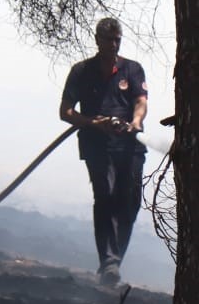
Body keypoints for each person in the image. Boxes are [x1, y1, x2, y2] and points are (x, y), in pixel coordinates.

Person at [59, 17, 148, 286]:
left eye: (117, 39)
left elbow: (141, 101)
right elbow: (65, 111)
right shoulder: (81, 72)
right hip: (97, 145)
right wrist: (93, 123)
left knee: (130, 202)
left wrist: (135, 122)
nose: (113, 44)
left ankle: (115, 260)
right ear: (97, 40)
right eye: (108, 39)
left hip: (130, 146)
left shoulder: (132, 70)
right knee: (105, 195)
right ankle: (108, 262)